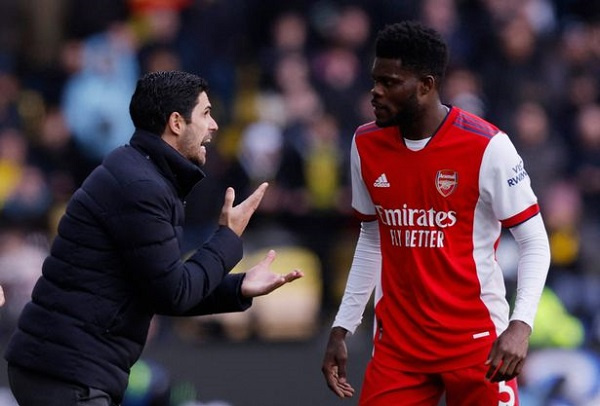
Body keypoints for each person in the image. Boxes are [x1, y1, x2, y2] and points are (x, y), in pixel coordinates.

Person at [4, 70, 303, 406]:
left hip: (63, 369)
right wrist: (228, 237)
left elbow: (162, 287)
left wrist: (237, 286)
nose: (214, 125)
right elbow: (174, 293)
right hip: (67, 374)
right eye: (205, 113)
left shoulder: (141, 173)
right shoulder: (141, 186)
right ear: (176, 122)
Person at [321, 21, 551, 406]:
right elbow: (372, 237)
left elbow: (534, 242)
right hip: (399, 349)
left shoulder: (488, 146)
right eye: (374, 80)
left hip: (477, 344)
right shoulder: (365, 144)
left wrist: (520, 325)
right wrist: (343, 324)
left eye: (390, 82)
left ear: (426, 85)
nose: (375, 92)